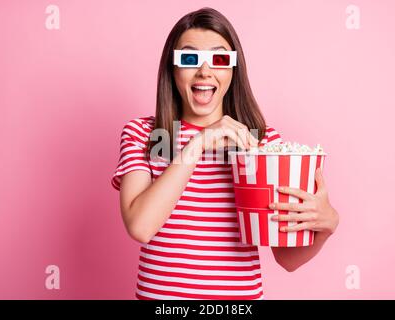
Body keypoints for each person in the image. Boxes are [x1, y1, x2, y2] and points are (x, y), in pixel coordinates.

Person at [111, 7, 339, 300]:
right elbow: (141, 227)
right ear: (173, 68)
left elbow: (287, 259)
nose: (205, 71)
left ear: (233, 69)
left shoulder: (260, 143)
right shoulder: (150, 135)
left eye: (219, 59)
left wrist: (326, 225)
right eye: (190, 58)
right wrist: (197, 144)